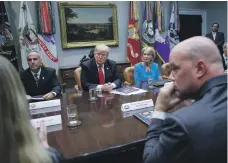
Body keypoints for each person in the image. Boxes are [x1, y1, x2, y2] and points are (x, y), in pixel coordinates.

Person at [143, 36, 227, 163]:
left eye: (175, 69)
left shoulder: (181, 123)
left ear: (200, 69)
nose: (170, 77)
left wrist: (159, 109)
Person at [0, 55, 62, 163]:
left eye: (35, 59)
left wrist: (53, 93)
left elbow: (57, 86)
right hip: (30, 108)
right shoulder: (23, 75)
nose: (32, 62)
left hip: (49, 106)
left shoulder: (50, 71)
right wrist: (45, 148)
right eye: (29, 60)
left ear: (41, 60)